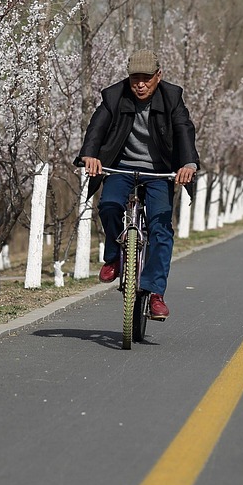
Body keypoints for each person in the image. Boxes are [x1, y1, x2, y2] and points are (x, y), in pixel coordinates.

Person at [75, 49, 199, 321]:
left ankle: (155, 293)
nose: (140, 84)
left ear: (158, 76)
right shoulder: (114, 96)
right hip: (120, 167)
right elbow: (97, 126)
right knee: (108, 205)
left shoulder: (172, 97)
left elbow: (183, 129)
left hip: (159, 172)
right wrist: (90, 154)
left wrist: (188, 163)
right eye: (135, 79)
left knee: (161, 226)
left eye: (146, 78)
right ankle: (114, 258)